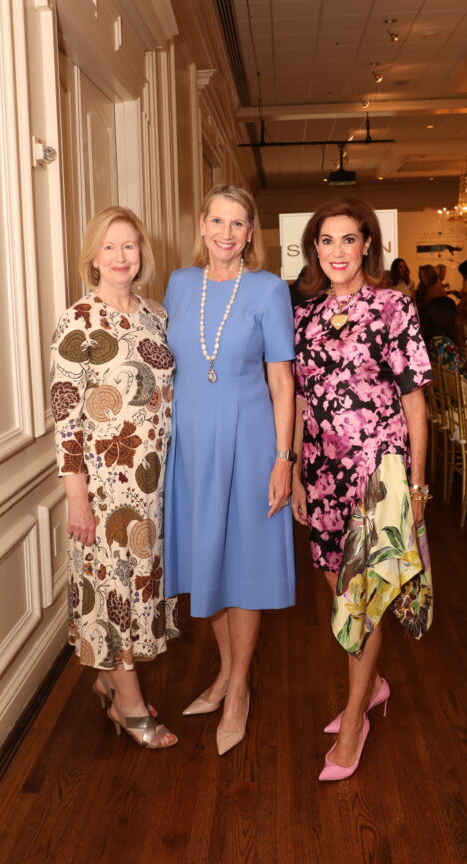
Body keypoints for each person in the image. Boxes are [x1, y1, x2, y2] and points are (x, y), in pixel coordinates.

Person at [291, 198, 433, 782]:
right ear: (314, 249)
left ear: (367, 244)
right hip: (323, 472)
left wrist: (417, 486)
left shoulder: (393, 306)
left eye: (348, 239)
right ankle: (372, 685)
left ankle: (354, 721)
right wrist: (296, 472)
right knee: (338, 592)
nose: (338, 251)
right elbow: (301, 401)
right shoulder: (304, 316)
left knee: (363, 599)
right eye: (327, 241)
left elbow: (415, 403)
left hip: (380, 475)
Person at [163, 184, 296, 755]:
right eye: (217, 221)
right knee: (207, 561)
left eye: (238, 223)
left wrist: (284, 460)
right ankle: (223, 671)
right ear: (201, 224)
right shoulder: (178, 284)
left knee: (244, 564)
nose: (226, 232)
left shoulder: (268, 289)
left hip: (250, 441)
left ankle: (238, 688)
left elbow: (282, 382)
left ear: (250, 233)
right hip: (192, 444)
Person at [50, 207, 179, 749]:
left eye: (129, 246)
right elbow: (65, 416)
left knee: (137, 585)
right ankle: (130, 707)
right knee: (114, 589)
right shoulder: (78, 320)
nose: (121, 256)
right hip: (105, 488)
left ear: (141, 253)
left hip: (153, 483)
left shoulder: (156, 315)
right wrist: (76, 497)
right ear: (93, 257)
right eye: (110, 247)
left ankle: (109, 679)